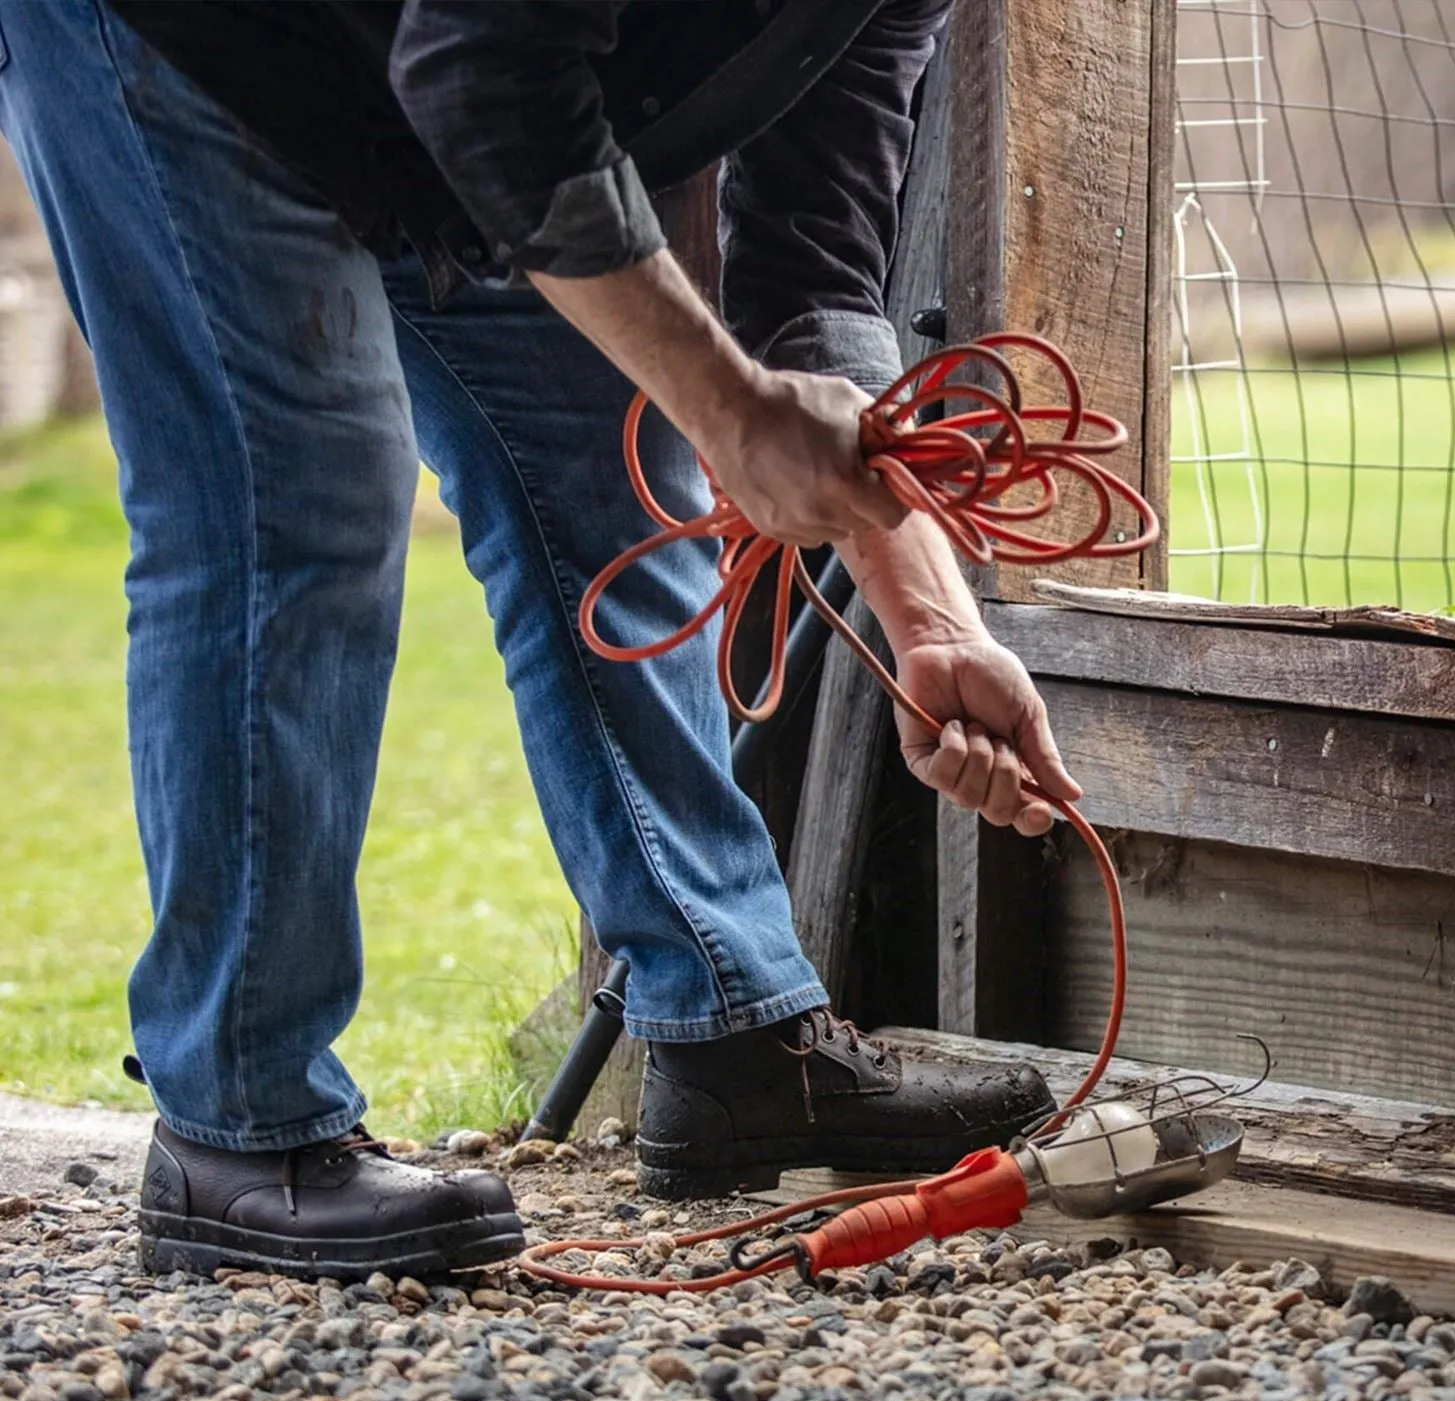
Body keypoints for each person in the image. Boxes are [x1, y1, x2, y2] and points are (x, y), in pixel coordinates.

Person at [0, 0, 1078, 1282]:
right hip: (191, 36)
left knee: (611, 473)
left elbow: (812, 270)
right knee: (289, 495)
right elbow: (486, 78)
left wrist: (929, 619)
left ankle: (732, 1034)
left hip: (443, 80)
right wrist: (732, 411)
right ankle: (240, 1127)